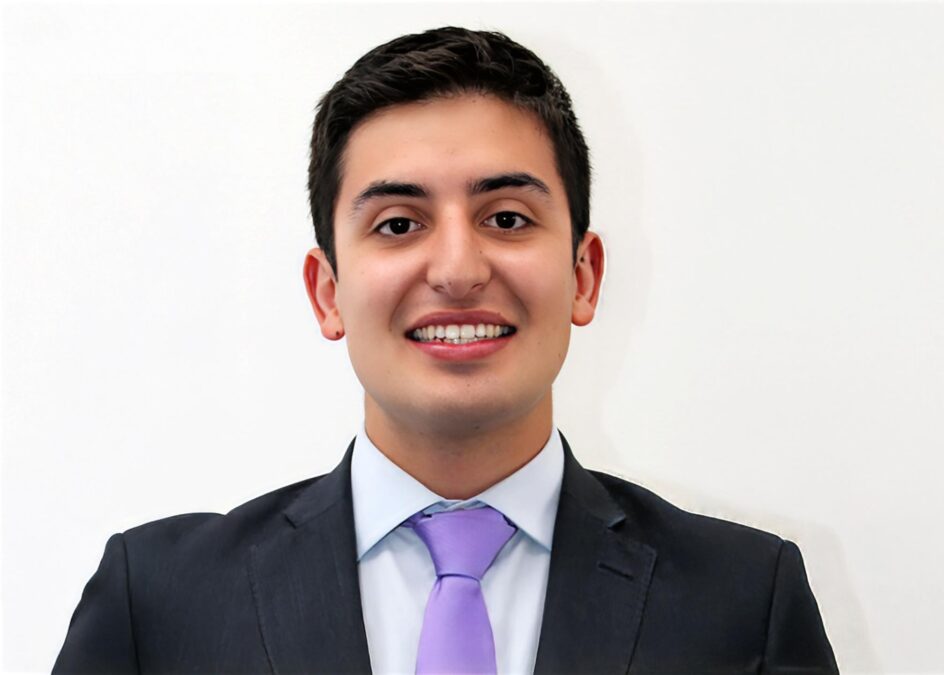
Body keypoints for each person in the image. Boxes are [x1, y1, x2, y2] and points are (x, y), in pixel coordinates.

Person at [53, 27, 837, 674]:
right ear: (328, 292)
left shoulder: (742, 602)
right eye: (398, 223)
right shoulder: (157, 603)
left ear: (584, 276)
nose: (459, 270)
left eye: (506, 218)